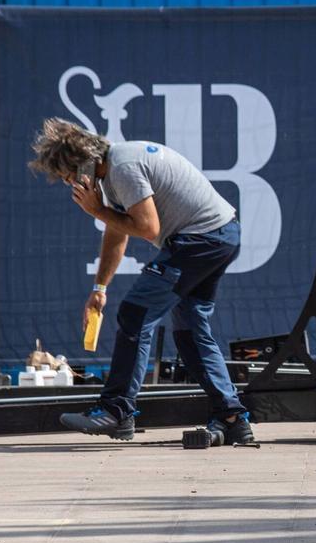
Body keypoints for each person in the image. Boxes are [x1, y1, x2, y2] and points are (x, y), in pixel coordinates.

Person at [28, 117, 252, 444]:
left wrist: (95, 210)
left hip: (201, 239)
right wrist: (99, 289)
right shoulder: (114, 173)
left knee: (135, 314)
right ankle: (232, 417)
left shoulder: (123, 168)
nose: (70, 186)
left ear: (85, 166)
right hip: (220, 235)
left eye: (69, 177)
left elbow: (148, 228)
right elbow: (118, 232)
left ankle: (116, 410)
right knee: (190, 328)